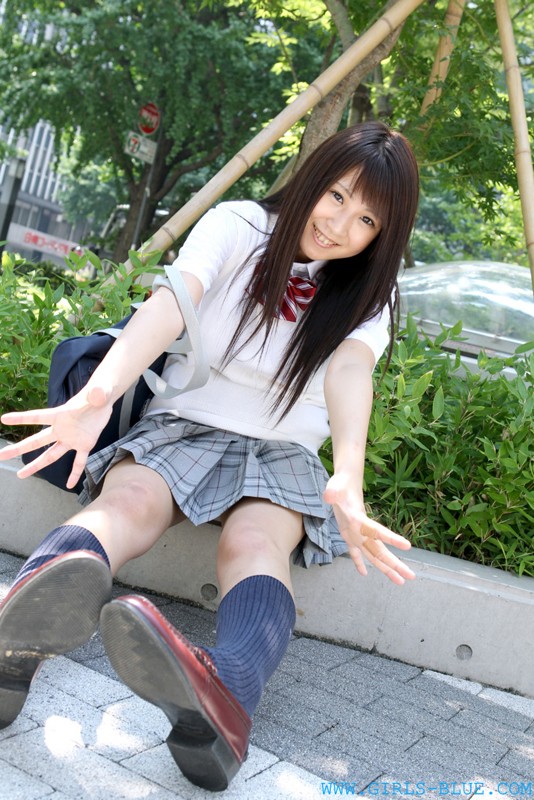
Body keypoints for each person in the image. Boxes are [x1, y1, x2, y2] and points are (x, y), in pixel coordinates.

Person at [0, 121, 419, 792]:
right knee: (129, 502)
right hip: (184, 423)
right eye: (337, 195)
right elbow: (172, 305)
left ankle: (227, 692)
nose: (340, 225)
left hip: (281, 448)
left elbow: (349, 373)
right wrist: (99, 395)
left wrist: (348, 473)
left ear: (383, 235)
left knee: (255, 544)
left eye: (367, 219)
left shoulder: (371, 293)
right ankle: (14, 630)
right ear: (312, 178)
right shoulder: (238, 225)